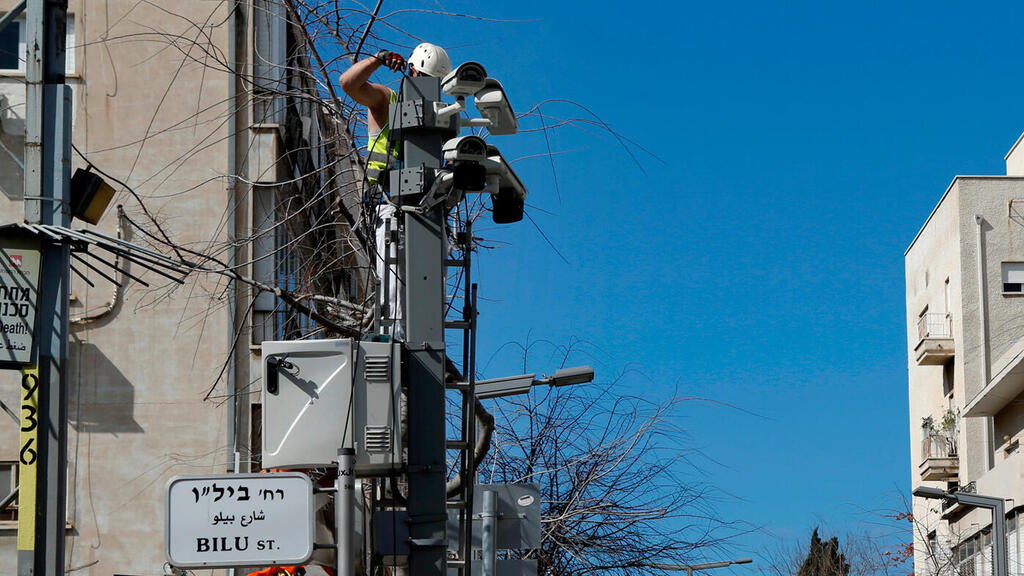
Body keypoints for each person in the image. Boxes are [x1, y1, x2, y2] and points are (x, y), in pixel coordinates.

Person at [339, 44, 452, 338]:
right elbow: (348, 84)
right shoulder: (387, 101)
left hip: (429, 209)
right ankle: (399, 345)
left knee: (433, 287)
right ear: (410, 73)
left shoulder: (441, 118)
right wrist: (377, 60)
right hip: (392, 207)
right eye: (422, 79)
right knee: (396, 289)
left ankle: (429, 342)